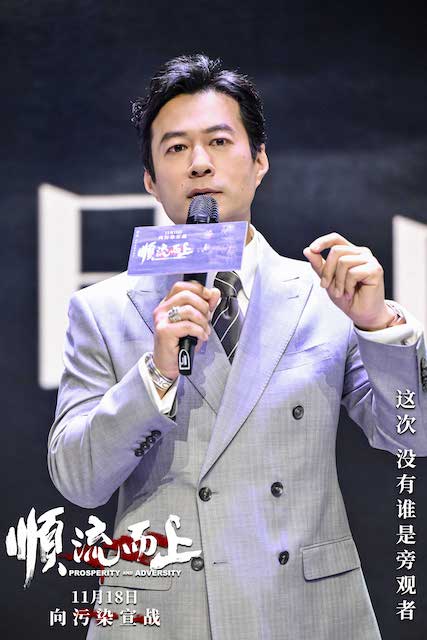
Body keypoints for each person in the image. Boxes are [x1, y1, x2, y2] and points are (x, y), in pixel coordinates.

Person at [48, 54, 427, 640]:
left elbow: (412, 435)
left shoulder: (325, 295)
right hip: (165, 616)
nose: (199, 163)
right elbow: (78, 480)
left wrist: (380, 327)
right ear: (150, 180)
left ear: (259, 161)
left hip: (304, 610)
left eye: (219, 141)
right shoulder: (101, 309)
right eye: (176, 148)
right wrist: (155, 376)